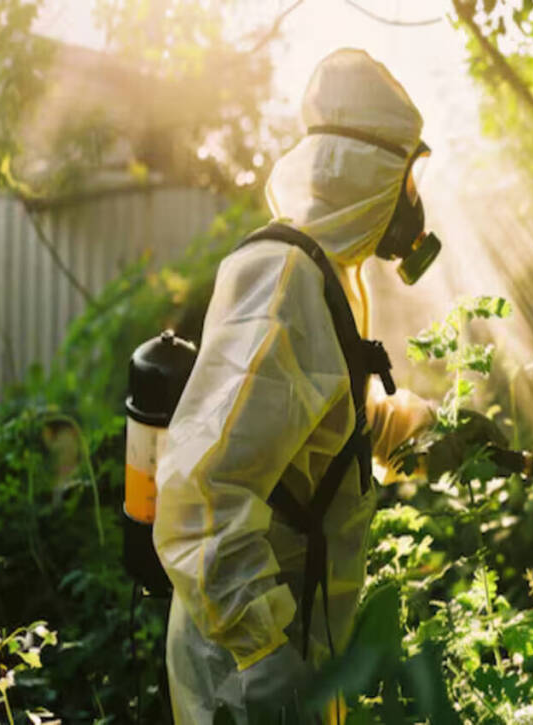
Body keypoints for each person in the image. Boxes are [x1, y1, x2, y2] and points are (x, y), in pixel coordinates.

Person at [152, 49, 439, 724]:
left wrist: (432, 434)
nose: (412, 202)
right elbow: (202, 486)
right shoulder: (282, 282)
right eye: (407, 177)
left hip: (292, 644)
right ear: (368, 172)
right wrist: (262, 651)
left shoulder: (329, 275)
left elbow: (327, 435)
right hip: (244, 671)